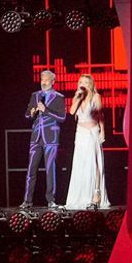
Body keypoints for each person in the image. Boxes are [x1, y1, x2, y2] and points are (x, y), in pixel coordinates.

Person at [21, 70, 66, 208]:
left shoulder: (59, 97)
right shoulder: (35, 95)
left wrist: (46, 110)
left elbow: (62, 117)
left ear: (53, 81)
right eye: (42, 79)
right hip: (36, 137)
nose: (43, 82)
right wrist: (32, 113)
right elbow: (27, 115)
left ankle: (50, 200)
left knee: (49, 169)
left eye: (46, 79)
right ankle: (27, 201)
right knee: (31, 169)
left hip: (50, 137)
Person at [65, 74, 110, 209]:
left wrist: (102, 131)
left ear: (90, 84)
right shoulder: (78, 97)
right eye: (81, 82)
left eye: (85, 82)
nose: (82, 84)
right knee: (81, 163)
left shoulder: (96, 97)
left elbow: (100, 115)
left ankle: (96, 193)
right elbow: (72, 112)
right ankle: (80, 195)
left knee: (94, 162)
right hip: (80, 134)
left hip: (92, 132)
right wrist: (78, 97)